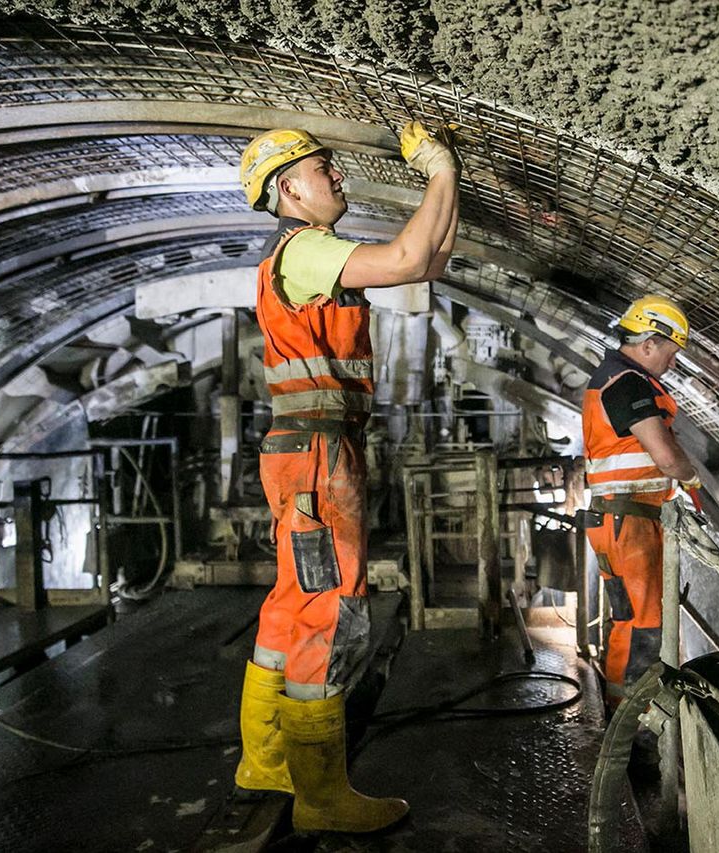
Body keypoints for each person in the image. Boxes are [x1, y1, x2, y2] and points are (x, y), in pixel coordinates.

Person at [233, 122, 460, 833]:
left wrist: (447, 186)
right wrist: (440, 171)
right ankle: (322, 796)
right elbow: (409, 252)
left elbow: (427, 261)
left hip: (305, 449)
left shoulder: (300, 254)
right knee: (330, 609)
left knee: (291, 603)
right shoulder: (304, 250)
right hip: (320, 454)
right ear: (288, 189)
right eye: (322, 169)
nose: (337, 177)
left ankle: (265, 759)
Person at [581, 295, 701, 708]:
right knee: (643, 625)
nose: (673, 363)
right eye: (670, 353)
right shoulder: (626, 382)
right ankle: (633, 731)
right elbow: (664, 455)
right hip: (627, 522)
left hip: (623, 519)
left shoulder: (618, 377)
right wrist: (692, 478)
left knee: (634, 620)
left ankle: (626, 722)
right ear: (648, 344)